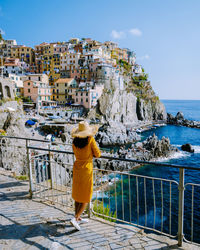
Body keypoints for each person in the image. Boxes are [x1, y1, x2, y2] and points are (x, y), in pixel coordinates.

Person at [70, 121, 101, 230]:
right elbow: (97, 154)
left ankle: (77, 218)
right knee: (86, 196)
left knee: (78, 193)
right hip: (87, 169)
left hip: (77, 168)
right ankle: (75, 218)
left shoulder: (74, 142)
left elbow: (76, 153)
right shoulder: (90, 140)